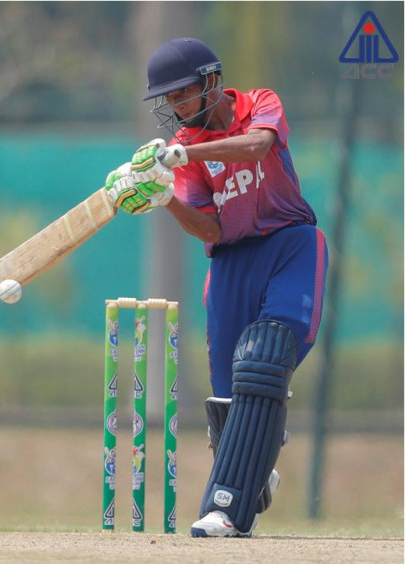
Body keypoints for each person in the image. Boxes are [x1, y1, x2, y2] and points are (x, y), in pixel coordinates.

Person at [106, 38, 327, 537]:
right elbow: (211, 229)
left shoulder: (259, 103)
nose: (176, 106)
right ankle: (255, 473)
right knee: (229, 402)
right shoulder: (186, 149)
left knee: (264, 359)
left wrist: (185, 151)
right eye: (169, 99)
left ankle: (225, 510)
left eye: (182, 93)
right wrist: (164, 197)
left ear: (211, 81)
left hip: (289, 244)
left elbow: (258, 145)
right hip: (230, 262)